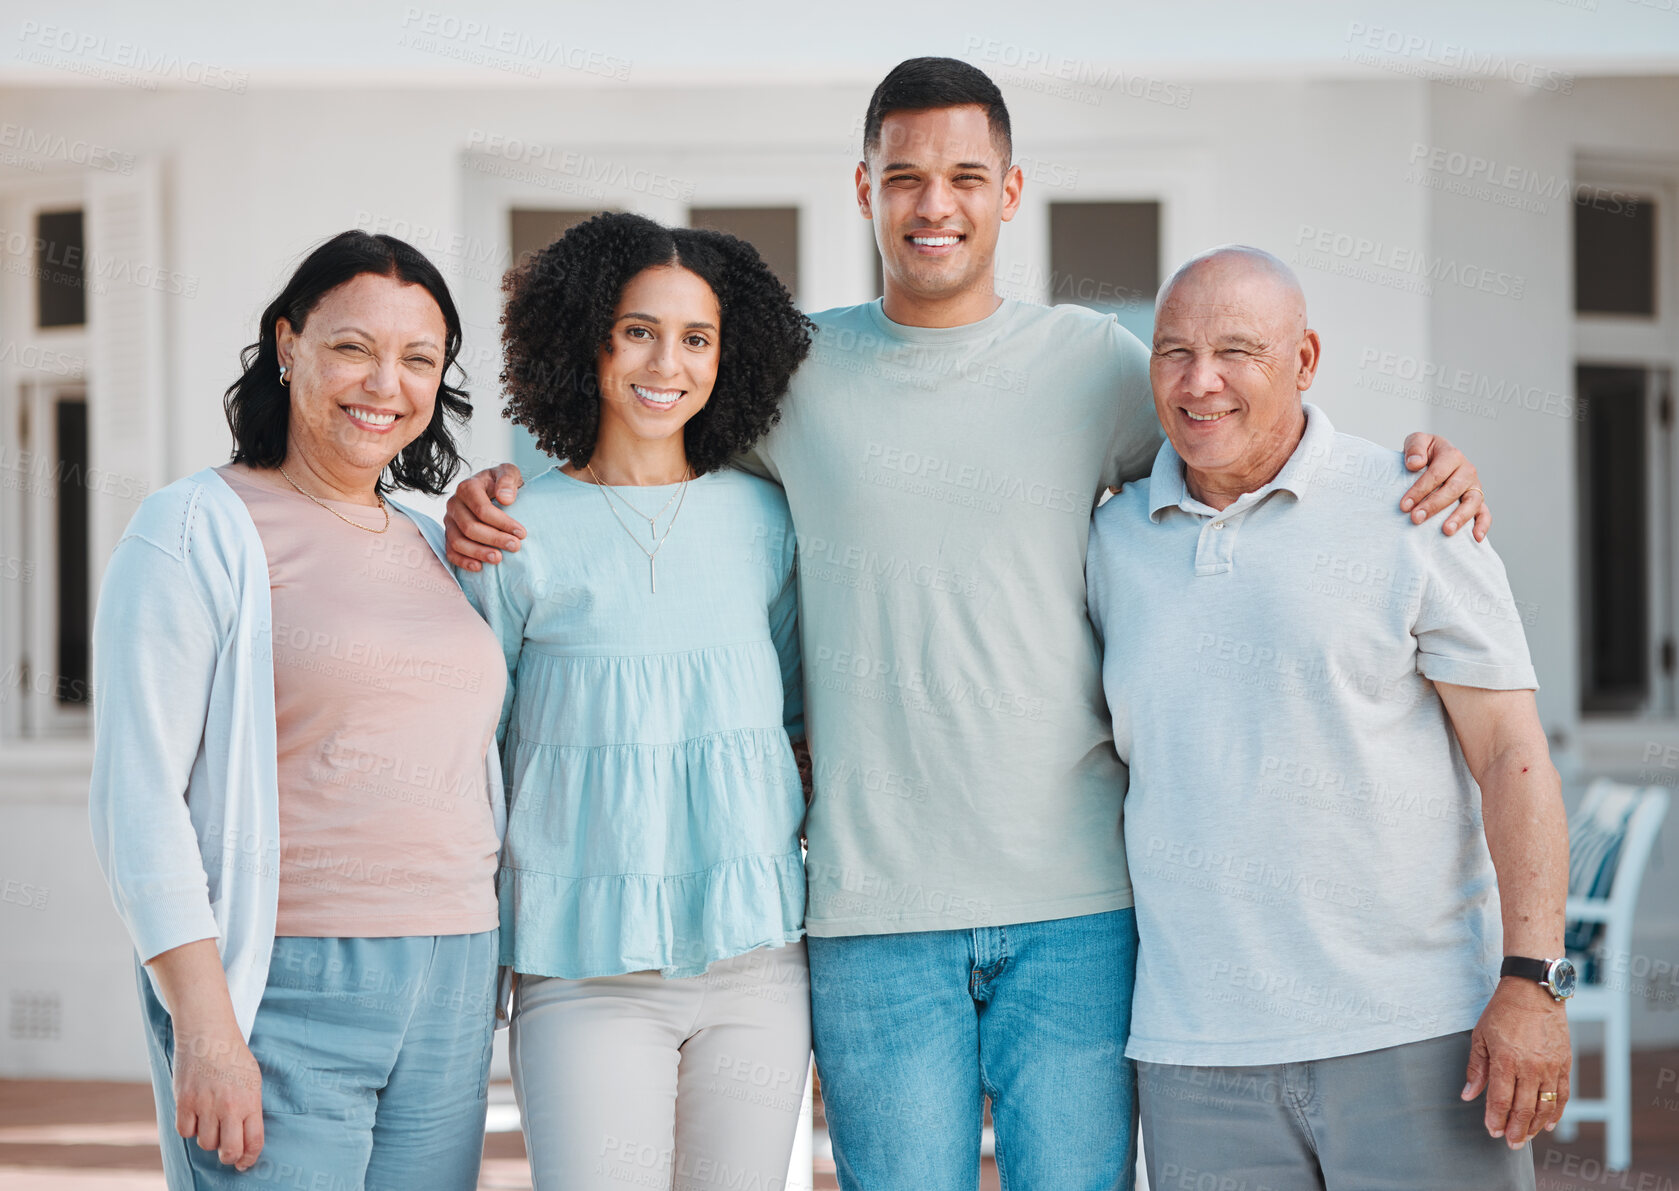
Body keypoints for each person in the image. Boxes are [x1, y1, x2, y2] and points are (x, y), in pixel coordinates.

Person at [444, 58, 1494, 1191]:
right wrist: (502, 492)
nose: (931, 204)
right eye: (903, 176)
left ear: (1009, 190)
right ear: (862, 190)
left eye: (961, 176)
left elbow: (1241, 446)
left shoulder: (1093, 364)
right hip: (868, 912)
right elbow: (645, 467)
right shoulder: (790, 374)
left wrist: (1396, 465)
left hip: (1078, 906)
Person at [1086, 246, 1569, 1190]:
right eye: (1172, 352)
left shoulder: (1416, 506)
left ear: (1305, 360)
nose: (1199, 381)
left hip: (1416, 1034)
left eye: (1237, 351)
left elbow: (1511, 751)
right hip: (1194, 1053)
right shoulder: (1109, 541)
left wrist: (1532, 979)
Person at [89, 230, 506, 1189]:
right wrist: (206, 1028)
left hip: (451, 976)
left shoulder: (436, 540)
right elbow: (137, 797)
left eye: (418, 359)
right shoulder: (193, 528)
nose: (384, 383)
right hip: (278, 983)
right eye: (353, 346)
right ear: (288, 344)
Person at [455, 212, 814, 1191]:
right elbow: (474, 749)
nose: (669, 362)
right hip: (583, 969)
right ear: (585, 340)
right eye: (638, 330)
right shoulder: (513, 529)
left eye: (696, 337)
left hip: (757, 961)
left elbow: (788, 721)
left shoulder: (765, 520)